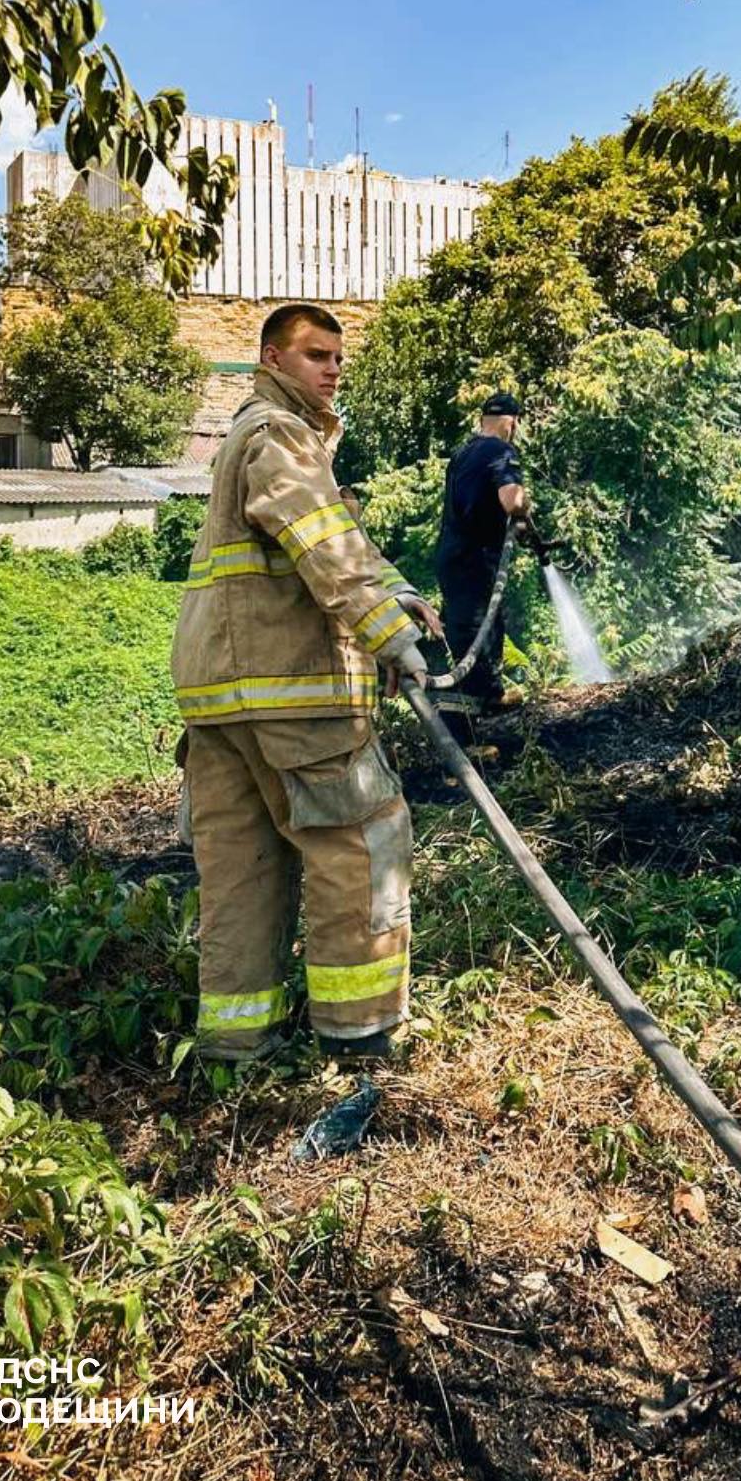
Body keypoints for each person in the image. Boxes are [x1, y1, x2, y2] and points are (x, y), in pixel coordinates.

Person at [171, 303, 443, 1068]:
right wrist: (395, 640)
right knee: (363, 845)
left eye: (337, 358)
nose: (331, 370)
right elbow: (325, 545)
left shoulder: (252, 439)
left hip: (221, 704)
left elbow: (329, 539)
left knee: (242, 875)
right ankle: (361, 1038)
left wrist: (397, 591)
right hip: (293, 697)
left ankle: (235, 1045)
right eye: (315, 355)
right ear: (271, 358)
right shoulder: (280, 434)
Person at [434, 390, 532, 733]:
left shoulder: (464, 452)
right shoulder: (502, 451)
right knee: (472, 646)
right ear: (511, 421)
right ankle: (461, 745)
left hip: (455, 559)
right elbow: (512, 500)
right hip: (472, 562)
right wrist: (524, 511)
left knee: (486, 631)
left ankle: (492, 696)